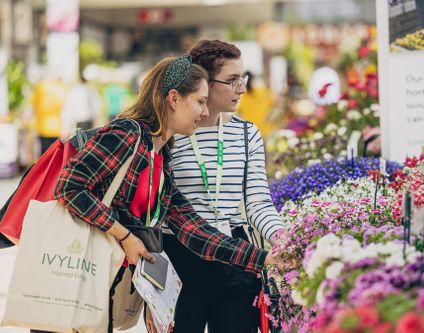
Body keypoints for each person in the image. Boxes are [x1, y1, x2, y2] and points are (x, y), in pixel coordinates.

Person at [52, 55, 281, 333]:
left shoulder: (161, 155)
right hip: (76, 274)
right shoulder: (127, 134)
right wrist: (124, 235)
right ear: (174, 98)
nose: (206, 112)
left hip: (103, 283)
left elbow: (193, 229)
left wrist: (265, 258)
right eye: (200, 101)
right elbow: (69, 187)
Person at [147, 40, 285, 333]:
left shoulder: (247, 134)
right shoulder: (171, 133)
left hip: (235, 255)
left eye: (243, 78)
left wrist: (282, 238)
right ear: (205, 83)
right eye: (232, 80)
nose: (242, 89)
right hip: (179, 256)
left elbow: (258, 201)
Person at [31, 75, 68, 154]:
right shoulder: (60, 88)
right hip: (56, 128)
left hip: (42, 127)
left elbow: (33, 108)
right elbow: (64, 109)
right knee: (55, 154)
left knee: (43, 154)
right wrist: (65, 128)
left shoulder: (39, 87)